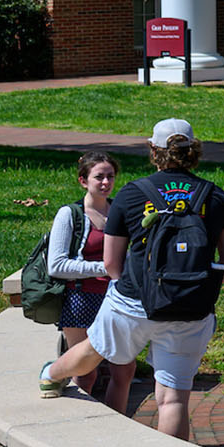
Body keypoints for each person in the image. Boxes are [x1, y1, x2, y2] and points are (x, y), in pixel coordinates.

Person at [39, 119, 224, 443]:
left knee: (94, 349)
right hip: (191, 309)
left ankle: (51, 375)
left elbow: (110, 261)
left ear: (154, 150)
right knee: (173, 398)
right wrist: (194, 288)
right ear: (194, 151)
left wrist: (134, 292)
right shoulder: (215, 195)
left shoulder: (133, 193)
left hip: (132, 302)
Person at [46, 152, 137, 413]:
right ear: (83, 181)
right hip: (81, 299)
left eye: (110, 176)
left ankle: (116, 424)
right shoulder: (70, 215)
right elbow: (57, 265)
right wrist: (105, 267)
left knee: (125, 368)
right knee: (86, 373)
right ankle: (80, 424)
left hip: (117, 298)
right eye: (99, 177)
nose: (106, 182)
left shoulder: (120, 211)